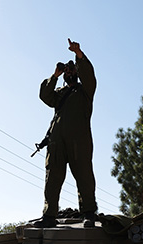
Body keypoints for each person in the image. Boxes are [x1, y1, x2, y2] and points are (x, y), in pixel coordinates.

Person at [33, 39, 98, 228]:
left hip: (79, 141)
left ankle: (88, 213)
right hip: (56, 142)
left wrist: (78, 54)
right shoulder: (60, 94)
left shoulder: (85, 91)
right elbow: (45, 95)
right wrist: (55, 75)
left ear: (77, 73)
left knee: (84, 176)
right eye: (66, 71)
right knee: (52, 178)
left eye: (72, 70)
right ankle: (48, 216)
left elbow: (89, 75)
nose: (69, 72)